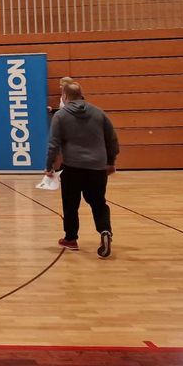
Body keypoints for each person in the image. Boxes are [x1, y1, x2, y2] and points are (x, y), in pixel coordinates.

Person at [44, 83, 118, 258]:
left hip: (73, 167)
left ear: (65, 96)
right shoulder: (99, 113)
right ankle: (105, 230)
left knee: (70, 204)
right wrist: (110, 162)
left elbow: (53, 144)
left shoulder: (60, 116)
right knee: (98, 202)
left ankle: (71, 239)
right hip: (97, 167)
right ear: (81, 94)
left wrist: (49, 166)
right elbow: (112, 140)